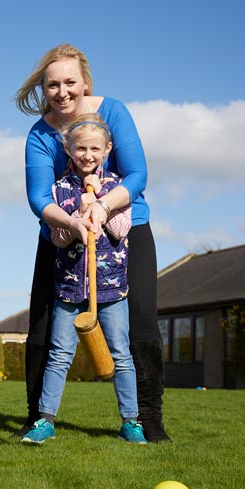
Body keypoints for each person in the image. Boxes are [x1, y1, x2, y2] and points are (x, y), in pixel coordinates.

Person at [14, 43, 170, 443]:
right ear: (43, 89)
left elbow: (137, 175)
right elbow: (38, 198)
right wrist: (73, 221)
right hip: (63, 230)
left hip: (123, 227)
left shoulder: (113, 112)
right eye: (53, 85)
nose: (62, 91)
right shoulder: (40, 134)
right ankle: (39, 418)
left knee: (140, 320)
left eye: (70, 82)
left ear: (85, 82)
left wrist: (101, 208)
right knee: (44, 326)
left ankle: (146, 419)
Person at [21, 115, 147, 445]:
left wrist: (102, 210)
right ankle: (45, 419)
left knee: (121, 354)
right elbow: (58, 237)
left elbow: (122, 232)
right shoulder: (60, 189)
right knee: (59, 353)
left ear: (107, 149)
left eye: (94, 148)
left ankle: (131, 421)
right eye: (80, 149)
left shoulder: (117, 188)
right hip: (69, 287)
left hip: (111, 289)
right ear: (69, 150)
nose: (87, 155)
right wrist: (77, 215)